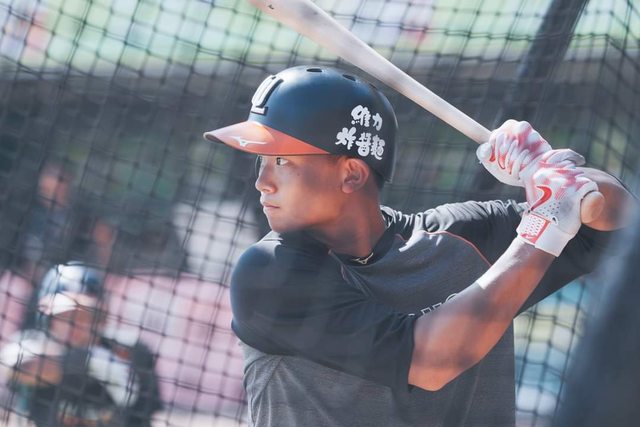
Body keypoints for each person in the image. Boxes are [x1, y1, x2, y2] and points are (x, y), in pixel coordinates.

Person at [202, 66, 634, 426]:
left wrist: (554, 175)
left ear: (352, 174)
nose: (262, 182)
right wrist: (544, 226)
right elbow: (430, 361)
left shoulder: (460, 239)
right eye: (262, 161)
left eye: (282, 160)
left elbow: (618, 222)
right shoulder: (269, 273)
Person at [0, 262, 162, 426]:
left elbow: (146, 416)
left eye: (85, 316)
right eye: (65, 316)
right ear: (47, 318)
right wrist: (87, 360)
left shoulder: (130, 351)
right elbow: (16, 365)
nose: (74, 324)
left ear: (101, 318)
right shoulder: (31, 343)